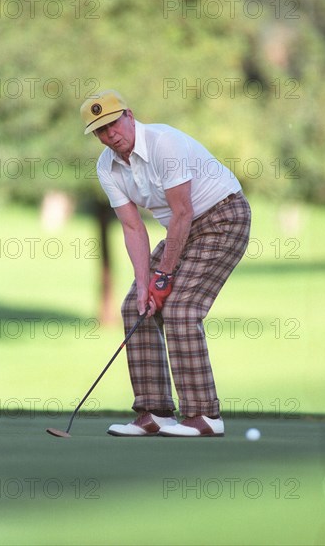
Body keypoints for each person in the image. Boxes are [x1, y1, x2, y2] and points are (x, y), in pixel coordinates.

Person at [80, 89, 251, 437]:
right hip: (182, 228)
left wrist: (164, 276)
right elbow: (132, 227)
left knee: (182, 309)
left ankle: (204, 416)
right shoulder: (106, 166)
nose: (110, 134)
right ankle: (155, 412)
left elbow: (184, 211)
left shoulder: (164, 143)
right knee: (136, 306)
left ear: (129, 116)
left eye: (114, 123)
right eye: (100, 130)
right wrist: (145, 283)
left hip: (223, 217)